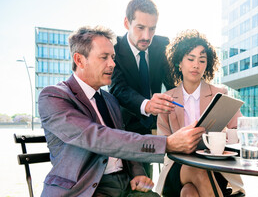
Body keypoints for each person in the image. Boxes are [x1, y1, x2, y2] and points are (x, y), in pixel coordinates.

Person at [38, 26, 205, 197]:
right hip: (85, 190)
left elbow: (123, 137)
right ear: (79, 60)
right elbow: (100, 138)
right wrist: (167, 144)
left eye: (113, 57)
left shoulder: (110, 100)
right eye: (104, 57)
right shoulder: (54, 97)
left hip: (126, 186)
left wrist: (138, 173)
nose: (112, 64)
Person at [156, 30, 245, 197]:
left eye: (202, 60)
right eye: (190, 59)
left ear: (207, 65)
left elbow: (240, 130)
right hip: (178, 165)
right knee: (195, 169)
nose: (196, 65)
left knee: (189, 193)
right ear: (179, 63)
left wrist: (224, 138)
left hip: (213, 165)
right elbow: (163, 142)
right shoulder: (167, 98)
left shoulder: (220, 94)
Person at [109, 0, 175, 178]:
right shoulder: (113, 48)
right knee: (140, 181)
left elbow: (173, 84)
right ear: (126, 23)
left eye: (152, 29)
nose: (147, 36)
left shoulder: (162, 45)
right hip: (125, 127)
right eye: (140, 28)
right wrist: (146, 105)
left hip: (156, 128)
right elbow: (117, 89)